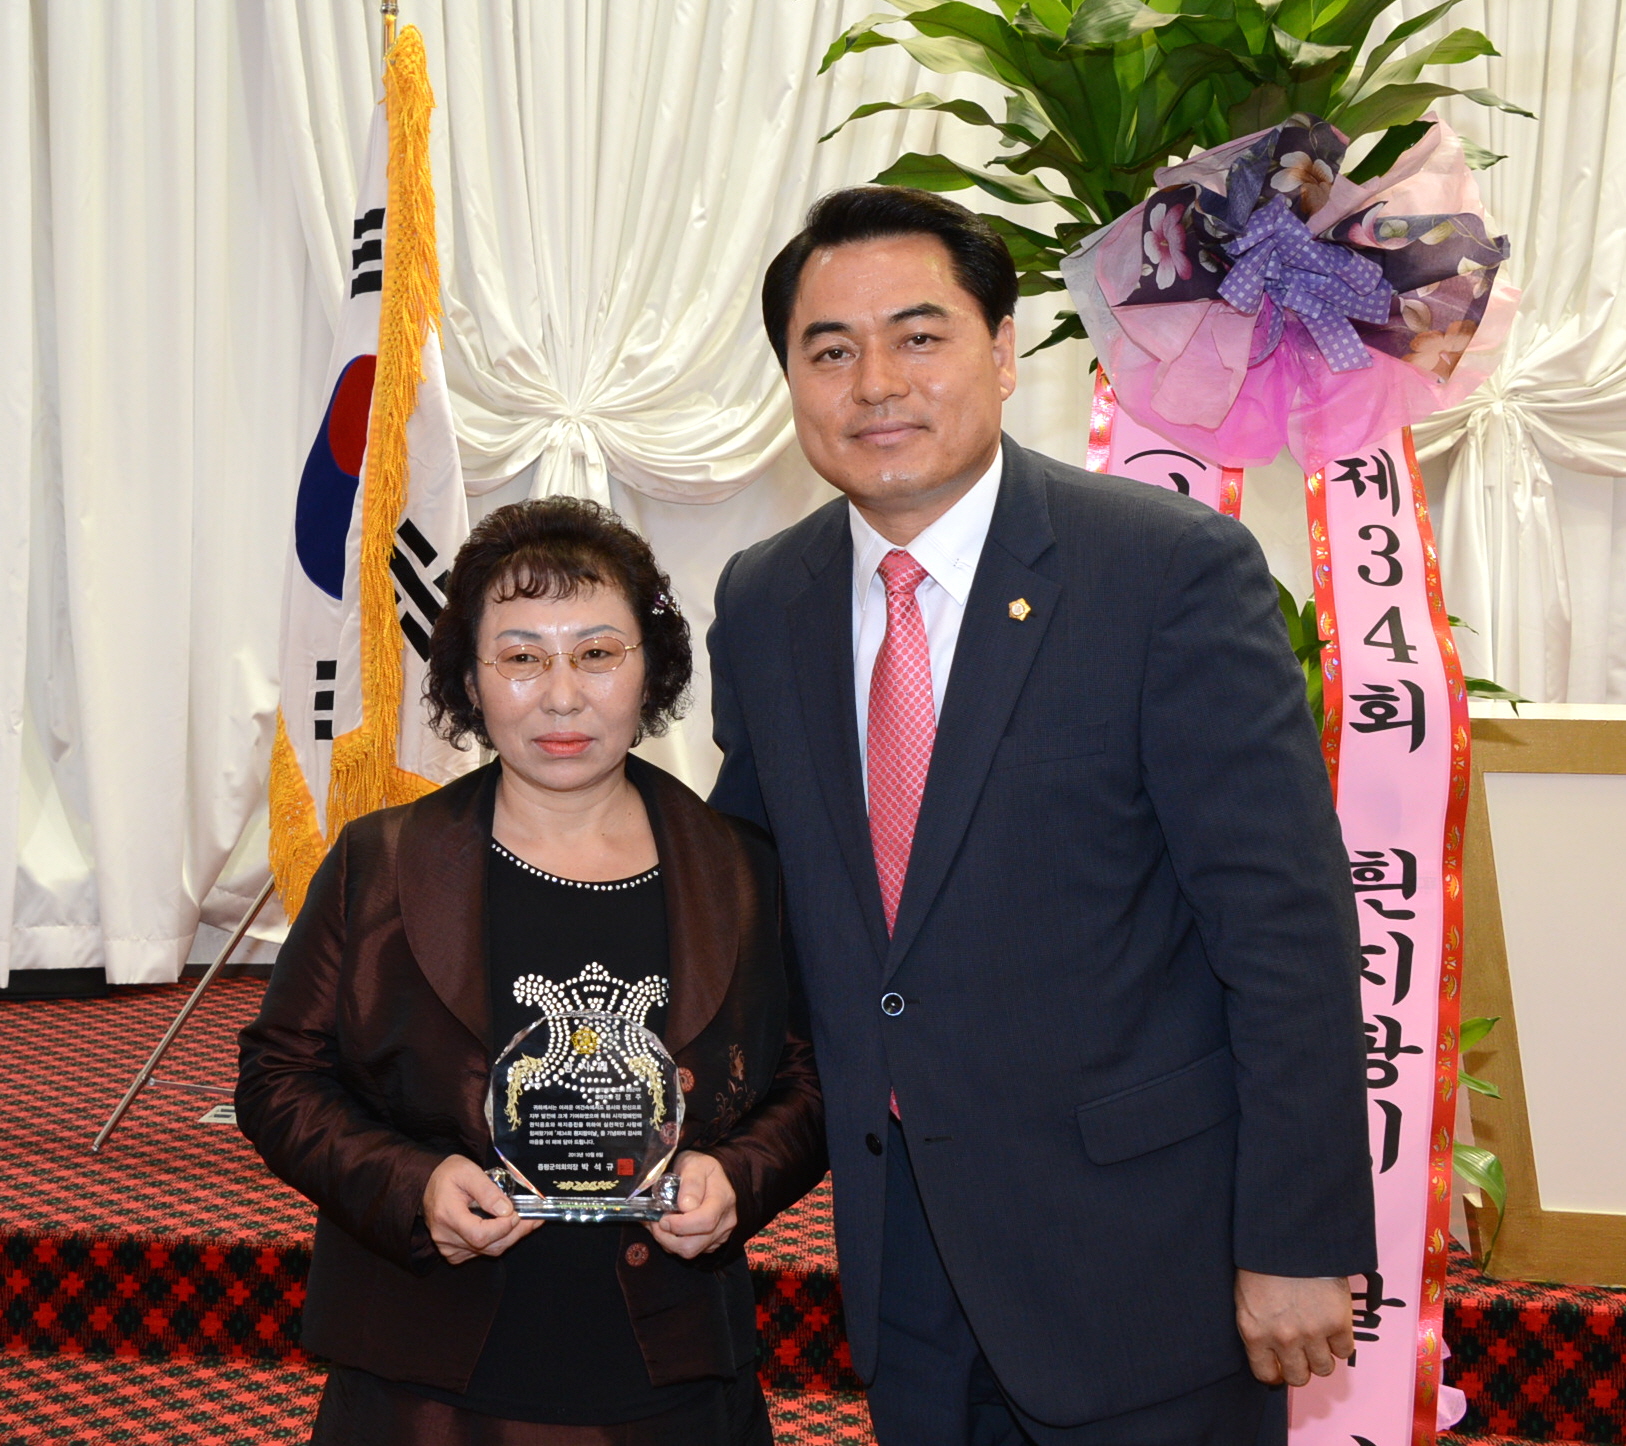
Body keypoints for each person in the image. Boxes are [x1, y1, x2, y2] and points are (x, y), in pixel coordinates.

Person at [706, 186, 1377, 1446]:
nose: (875, 384)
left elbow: (1285, 931)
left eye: (919, 337)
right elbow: (743, 894)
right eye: (829, 351)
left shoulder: (1166, 571)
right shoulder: (763, 599)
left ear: (1004, 352)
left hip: (1143, 1262)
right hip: (903, 1253)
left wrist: (1298, 1237)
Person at [238, 497, 826, 1446]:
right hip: (427, 1378)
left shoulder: (743, 870)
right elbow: (279, 1077)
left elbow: (810, 1079)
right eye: (521, 657)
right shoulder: (379, 864)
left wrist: (737, 1177)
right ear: (470, 679)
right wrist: (413, 1186)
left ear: (651, 667)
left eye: (597, 653)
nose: (561, 696)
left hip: (669, 1371)